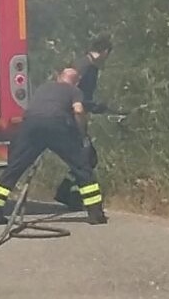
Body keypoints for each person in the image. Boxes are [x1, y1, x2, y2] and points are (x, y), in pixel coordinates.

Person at [0, 68, 108, 226]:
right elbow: (78, 110)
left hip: (30, 126)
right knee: (81, 167)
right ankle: (95, 214)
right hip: (57, 125)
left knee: (14, 168)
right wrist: (81, 132)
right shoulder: (74, 91)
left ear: (59, 77)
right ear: (76, 82)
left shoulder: (44, 88)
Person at [54, 35, 116, 210]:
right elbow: (72, 92)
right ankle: (70, 194)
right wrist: (92, 106)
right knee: (87, 157)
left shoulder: (86, 65)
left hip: (74, 116)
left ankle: (67, 191)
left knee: (85, 157)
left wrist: (93, 106)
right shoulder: (86, 67)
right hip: (71, 117)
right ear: (105, 52)